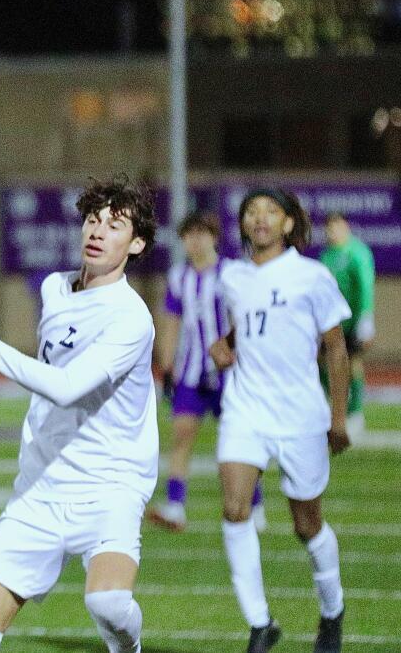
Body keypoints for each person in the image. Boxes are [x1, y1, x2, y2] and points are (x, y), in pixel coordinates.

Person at [0, 176, 157, 653]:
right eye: (93, 221)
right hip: (42, 484)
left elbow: (69, 388)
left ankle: (127, 647)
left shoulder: (131, 318)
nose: (98, 232)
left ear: (136, 243)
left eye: (115, 226)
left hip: (110, 482)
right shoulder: (55, 289)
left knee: (109, 604)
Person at [209, 189, 350, 653]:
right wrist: (224, 344)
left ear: (288, 224)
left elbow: (334, 347)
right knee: (234, 509)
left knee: (306, 523)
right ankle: (259, 623)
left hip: (300, 415)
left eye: (271, 211)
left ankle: (332, 612)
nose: (260, 218)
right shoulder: (232, 276)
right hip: (245, 409)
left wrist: (338, 418)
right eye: (252, 211)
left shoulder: (312, 276)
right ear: (244, 224)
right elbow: (246, 326)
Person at [148, 211, 265, 533]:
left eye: (201, 233)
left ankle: (254, 504)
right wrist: (167, 365)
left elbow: (247, 318)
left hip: (229, 374)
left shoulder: (231, 273)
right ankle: (175, 506)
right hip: (190, 372)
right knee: (181, 436)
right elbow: (172, 323)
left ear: (214, 237)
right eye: (189, 234)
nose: (195, 241)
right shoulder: (178, 277)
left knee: (238, 442)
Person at [319, 212, 375, 444]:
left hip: (352, 320)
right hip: (331, 321)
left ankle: (355, 412)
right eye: (329, 229)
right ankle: (332, 402)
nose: (333, 233)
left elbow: (365, 285)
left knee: (353, 363)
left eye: (337, 228)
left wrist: (366, 316)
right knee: (323, 361)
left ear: (346, 227)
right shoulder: (327, 255)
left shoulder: (357, 252)